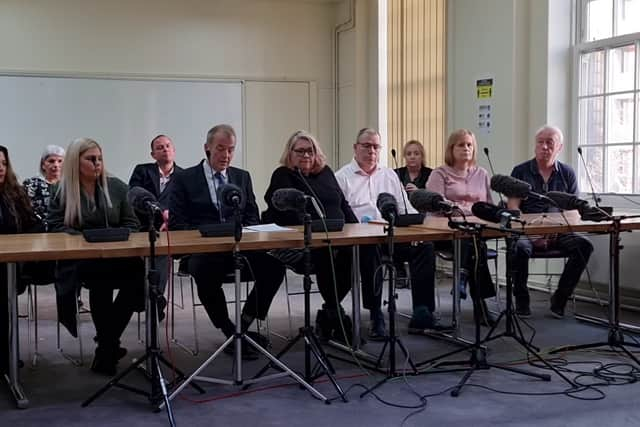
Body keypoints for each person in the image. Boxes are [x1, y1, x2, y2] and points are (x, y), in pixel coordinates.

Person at [169, 124, 285, 359]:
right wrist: (206, 235)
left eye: (231, 150)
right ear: (207, 148)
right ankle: (228, 330)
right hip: (203, 251)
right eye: (220, 149)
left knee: (275, 266)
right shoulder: (184, 179)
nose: (226, 155)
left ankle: (244, 322)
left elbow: (252, 215)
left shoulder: (242, 177)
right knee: (205, 271)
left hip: (240, 247)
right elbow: (178, 223)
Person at [48, 138, 145, 376]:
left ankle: (106, 345)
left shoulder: (117, 187)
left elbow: (132, 223)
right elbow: (55, 227)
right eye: (91, 159)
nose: (97, 163)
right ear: (75, 162)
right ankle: (108, 346)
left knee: (137, 278)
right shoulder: (62, 191)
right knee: (100, 285)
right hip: (83, 260)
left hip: (118, 256)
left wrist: (115, 236)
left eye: (99, 158)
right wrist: (83, 239)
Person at [335, 128, 442, 340]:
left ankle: (422, 311)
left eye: (376, 146)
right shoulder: (342, 177)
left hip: (392, 235)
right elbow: (341, 218)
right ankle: (376, 314)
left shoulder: (389, 175)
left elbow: (406, 208)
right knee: (370, 249)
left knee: (425, 247)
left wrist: (418, 229)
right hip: (361, 240)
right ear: (355, 148)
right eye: (366, 146)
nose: (371, 150)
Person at [263, 130, 358, 343]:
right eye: (300, 151)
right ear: (290, 153)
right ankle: (335, 313)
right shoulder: (283, 174)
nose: (306, 155)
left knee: (356, 252)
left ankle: (330, 310)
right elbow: (279, 207)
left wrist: (357, 231)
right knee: (325, 251)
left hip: (337, 238)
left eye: (310, 150)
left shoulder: (326, 173)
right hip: (296, 244)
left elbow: (343, 204)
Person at [509, 125, 593, 318]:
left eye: (549, 142)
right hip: (526, 232)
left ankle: (560, 298)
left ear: (559, 147)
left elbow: (573, 212)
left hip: (560, 232)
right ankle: (521, 298)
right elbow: (513, 207)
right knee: (519, 248)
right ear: (534, 145)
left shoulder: (567, 173)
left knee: (584, 246)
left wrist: (555, 229)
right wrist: (533, 232)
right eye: (540, 142)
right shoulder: (520, 171)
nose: (544, 147)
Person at [426, 129, 497, 326]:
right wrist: (469, 210)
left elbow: (487, 207)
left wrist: (465, 210)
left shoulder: (482, 173)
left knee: (474, 242)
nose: (466, 148)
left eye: (469, 145)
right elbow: (438, 207)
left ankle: (463, 276)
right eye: (461, 144)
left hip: (475, 231)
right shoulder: (439, 174)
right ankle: (480, 306)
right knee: (476, 247)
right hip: (446, 233)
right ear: (451, 148)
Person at [129, 134, 182, 319]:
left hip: (170, 230)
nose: (165, 149)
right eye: (160, 147)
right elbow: (133, 197)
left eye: (168, 145)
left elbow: (185, 204)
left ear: (174, 151)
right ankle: (155, 298)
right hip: (143, 226)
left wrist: (171, 219)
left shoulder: (184, 176)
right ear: (153, 154)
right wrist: (160, 211)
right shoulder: (142, 171)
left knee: (160, 250)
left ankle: (154, 297)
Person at [0, 145, 37, 374]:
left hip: (10, 266)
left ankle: (6, 359)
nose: (0, 168)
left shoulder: (15, 192)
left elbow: (31, 223)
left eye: (3, 164)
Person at [22, 144, 65, 227]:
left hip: (63, 230)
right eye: (51, 161)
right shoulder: (32, 184)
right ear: (43, 165)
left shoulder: (69, 186)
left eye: (60, 161)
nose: (56, 165)